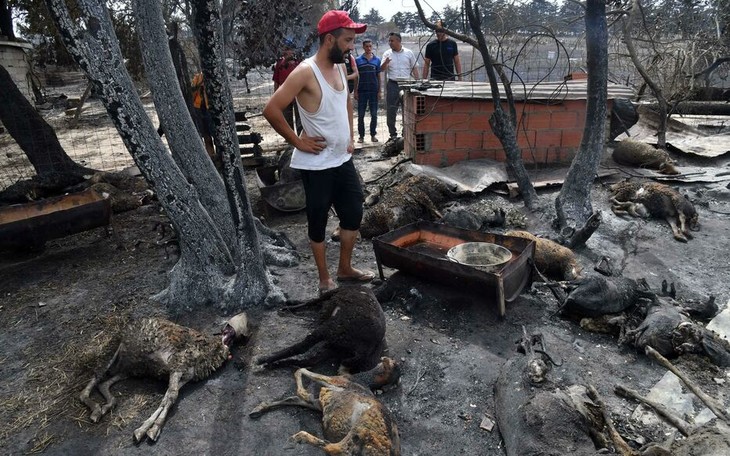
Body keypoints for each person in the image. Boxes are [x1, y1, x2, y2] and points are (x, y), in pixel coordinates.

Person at [263, 10, 374, 295]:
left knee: (352, 214)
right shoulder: (304, 72)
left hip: (342, 159)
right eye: (348, 40)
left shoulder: (339, 66)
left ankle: (345, 269)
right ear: (329, 40)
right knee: (318, 221)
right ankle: (325, 279)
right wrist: (297, 142)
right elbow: (271, 109)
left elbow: (347, 101)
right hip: (317, 165)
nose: (352, 46)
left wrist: (350, 135)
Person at [380, 32, 418, 140]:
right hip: (393, 85)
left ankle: (405, 134)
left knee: (407, 110)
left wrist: (418, 83)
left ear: (398, 41)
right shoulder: (387, 54)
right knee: (391, 110)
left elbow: (415, 68)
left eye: (392, 41)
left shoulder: (409, 53)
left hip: (407, 85)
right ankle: (393, 135)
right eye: (389, 41)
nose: (390, 43)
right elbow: (381, 69)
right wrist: (386, 62)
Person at [354, 39, 381, 143]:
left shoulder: (377, 60)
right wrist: (355, 91)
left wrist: (379, 91)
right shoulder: (358, 60)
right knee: (361, 115)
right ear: (363, 47)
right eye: (367, 46)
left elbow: (378, 76)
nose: (369, 48)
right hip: (362, 91)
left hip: (374, 91)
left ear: (372, 46)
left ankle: (373, 135)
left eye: (370, 46)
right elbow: (356, 77)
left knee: (374, 114)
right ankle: (361, 136)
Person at [272, 42, 303, 134]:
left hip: (298, 94)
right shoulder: (279, 64)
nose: (288, 52)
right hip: (284, 95)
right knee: (286, 116)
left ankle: (300, 135)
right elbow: (276, 81)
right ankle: (290, 137)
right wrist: (276, 96)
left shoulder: (299, 63)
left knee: (300, 117)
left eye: (290, 50)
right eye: (286, 50)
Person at [191, 72, 216, 162]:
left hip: (207, 108)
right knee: (202, 133)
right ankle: (206, 156)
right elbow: (192, 91)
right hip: (198, 108)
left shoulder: (212, 76)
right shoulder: (197, 78)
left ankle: (212, 154)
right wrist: (199, 84)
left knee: (209, 134)